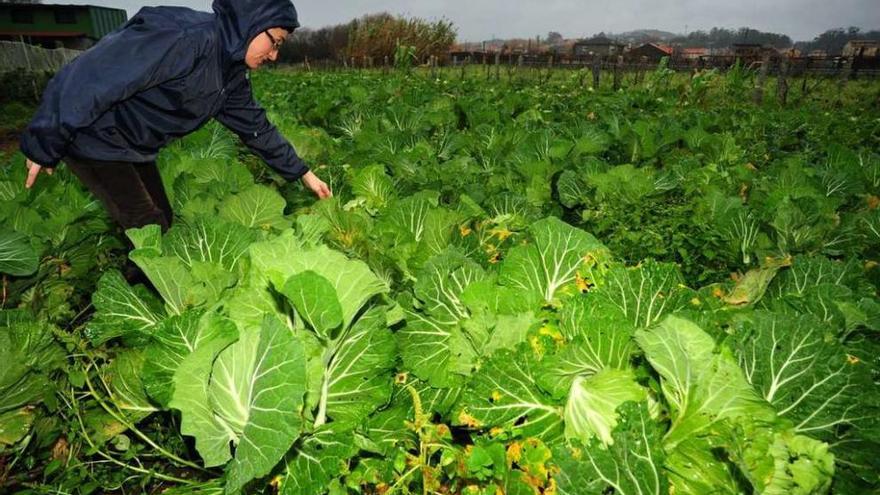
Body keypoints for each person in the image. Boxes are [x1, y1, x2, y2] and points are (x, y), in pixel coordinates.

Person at [19, 0, 331, 234]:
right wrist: (43, 143)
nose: (274, 54)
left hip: (132, 145)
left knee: (161, 221)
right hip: (93, 136)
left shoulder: (229, 73)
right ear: (250, 22)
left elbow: (257, 129)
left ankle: (145, 292)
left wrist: (303, 174)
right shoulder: (184, 38)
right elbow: (91, 76)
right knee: (148, 226)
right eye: (274, 41)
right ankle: (153, 310)